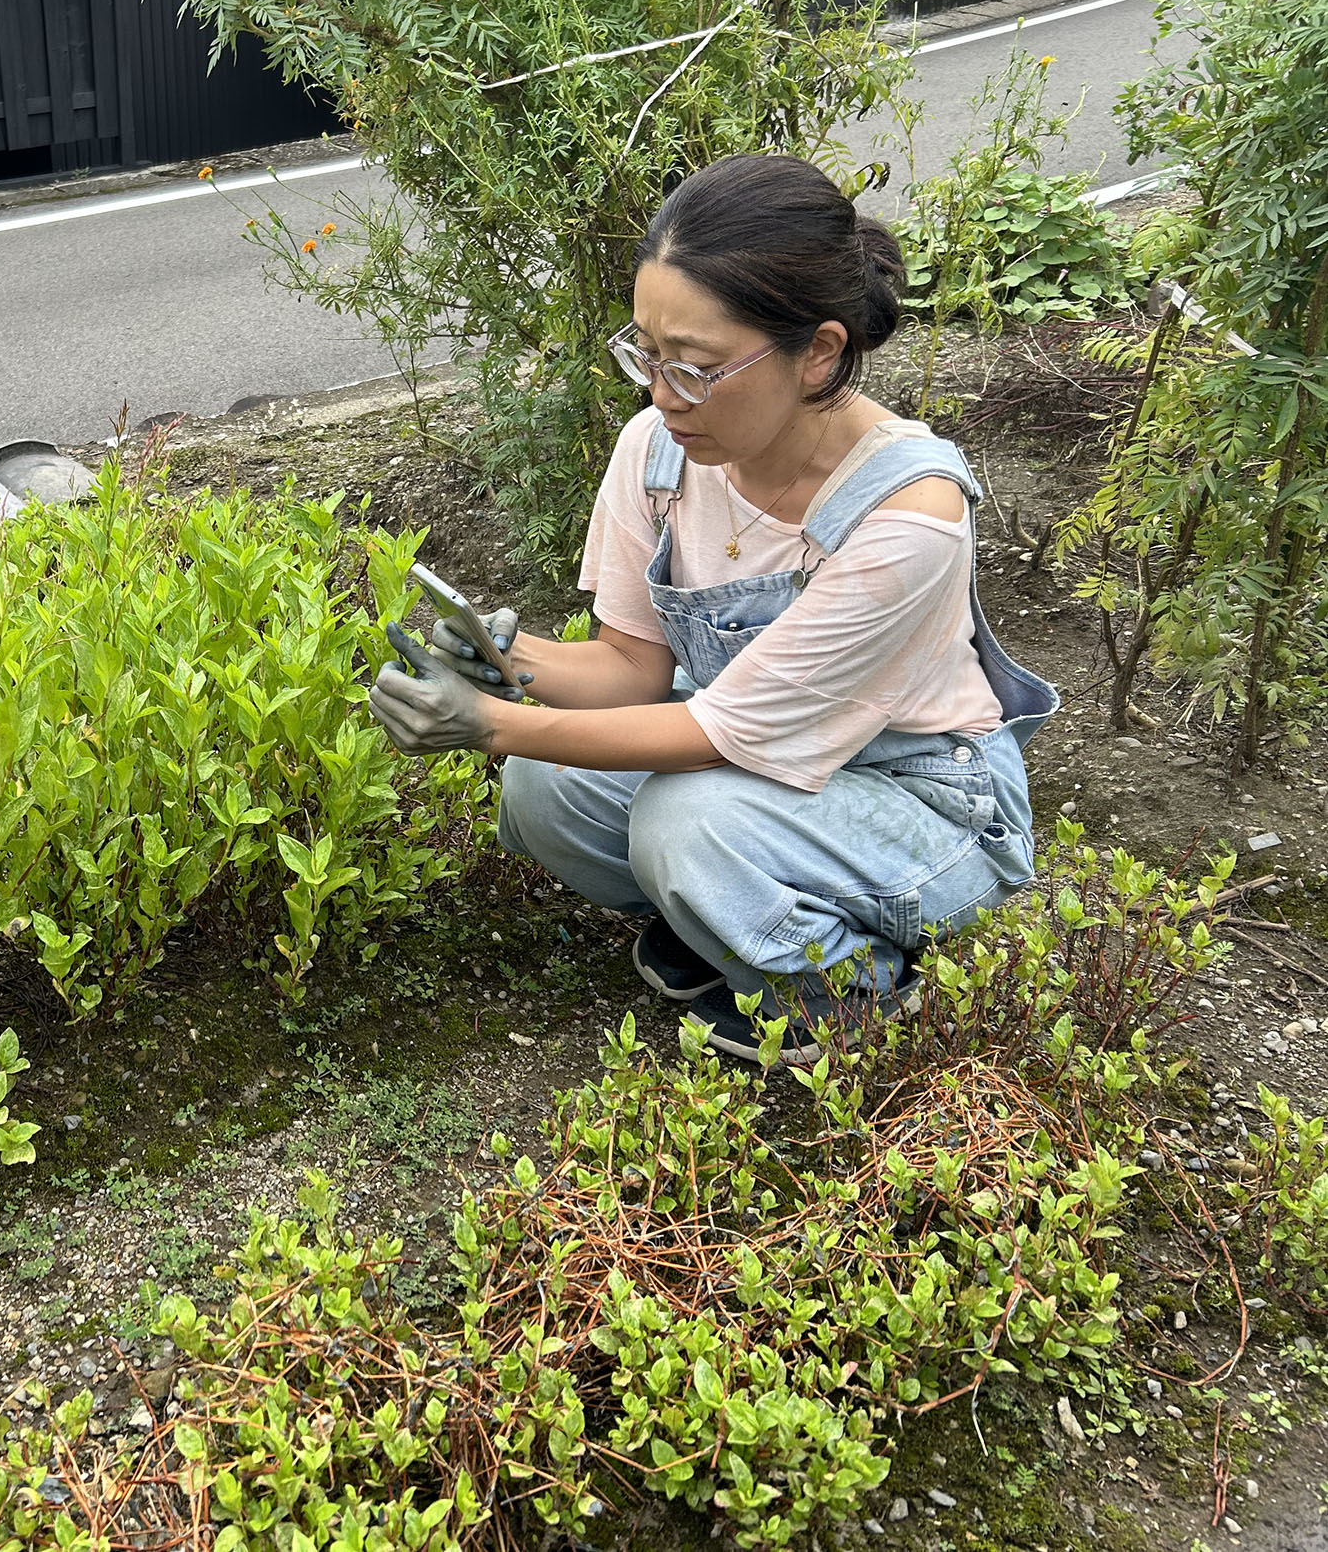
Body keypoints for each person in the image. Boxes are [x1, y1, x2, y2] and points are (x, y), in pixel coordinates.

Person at [366, 153, 1059, 1063]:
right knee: (546, 788)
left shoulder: (909, 513)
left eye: (694, 367)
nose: (660, 393)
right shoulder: (658, 450)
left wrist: (490, 724)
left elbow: (718, 734)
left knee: (682, 822)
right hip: (763, 777)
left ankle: (851, 988)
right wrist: (510, 659)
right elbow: (633, 669)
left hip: (923, 805)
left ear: (818, 351)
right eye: (646, 354)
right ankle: (726, 921)